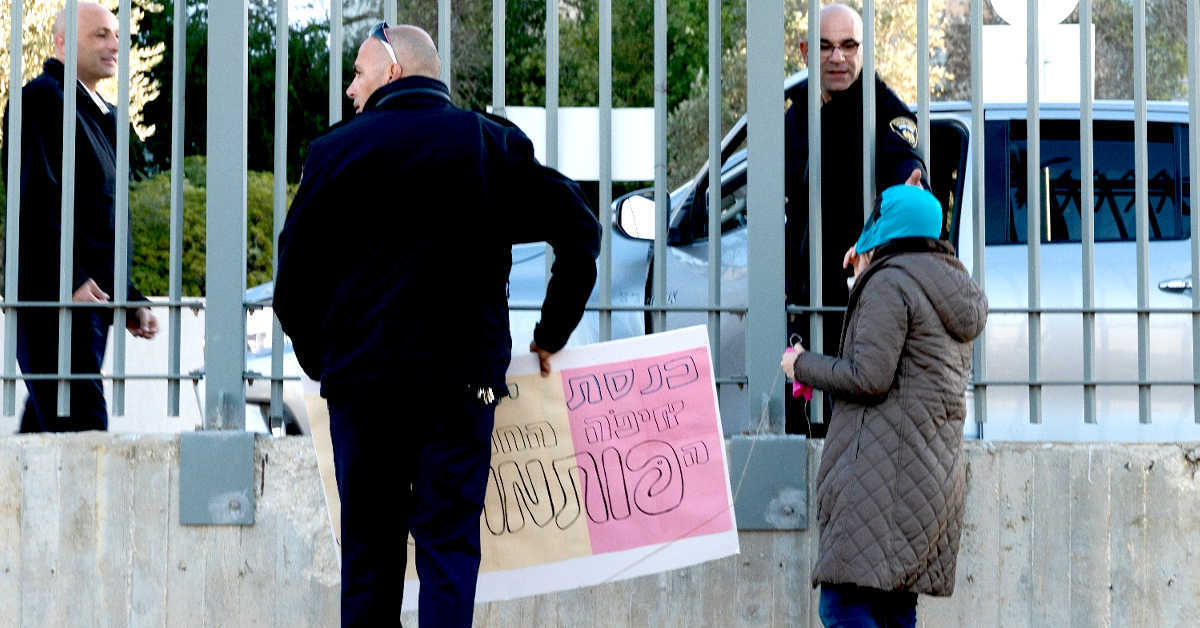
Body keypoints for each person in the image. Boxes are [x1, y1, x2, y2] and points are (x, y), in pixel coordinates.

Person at [273, 23, 601, 628]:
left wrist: (332, 362)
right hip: (459, 391)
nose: (351, 89)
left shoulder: (334, 153)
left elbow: (291, 286)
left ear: (394, 72)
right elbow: (580, 231)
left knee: (369, 562)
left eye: (359, 73)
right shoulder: (487, 144)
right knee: (449, 552)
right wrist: (551, 331)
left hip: (364, 392)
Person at [780, 184, 987, 628]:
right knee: (893, 608)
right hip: (927, 482)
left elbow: (868, 376)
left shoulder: (890, 284)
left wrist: (802, 366)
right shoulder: (946, 284)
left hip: (879, 480)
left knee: (842, 607)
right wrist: (862, 276)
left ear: (885, 225)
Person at [0, 2, 158, 433]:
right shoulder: (42, 100)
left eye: (116, 34)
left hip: (85, 303)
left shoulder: (97, 114)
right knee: (84, 433)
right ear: (63, 42)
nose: (115, 44)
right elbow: (34, 202)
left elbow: (97, 221)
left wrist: (127, 297)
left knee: (50, 432)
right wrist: (68, 279)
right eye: (100, 35)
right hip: (56, 303)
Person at [784, 2, 931, 435]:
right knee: (803, 433)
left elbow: (909, 181)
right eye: (826, 47)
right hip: (805, 301)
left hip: (860, 300)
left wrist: (878, 230)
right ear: (806, 51)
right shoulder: (797, 116)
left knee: (856, 435)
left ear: (863, 50)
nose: (838, 57)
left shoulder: (886, 113)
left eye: (849, 46)